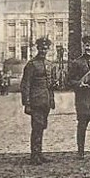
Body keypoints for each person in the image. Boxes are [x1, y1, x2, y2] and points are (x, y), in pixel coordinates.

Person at [20, 36, 56, 165]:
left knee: (42, 126)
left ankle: (39, 153)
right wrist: (27, 103)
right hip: (35, 101)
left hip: (45, 101)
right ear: (37, 48)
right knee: (36, 127)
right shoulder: (31, 65)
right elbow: (26, 85)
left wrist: (52, 99)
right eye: (41, 48)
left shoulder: (49, 64)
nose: (44, 50)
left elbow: (50, 85)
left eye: (46, 48)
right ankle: (34, 155)